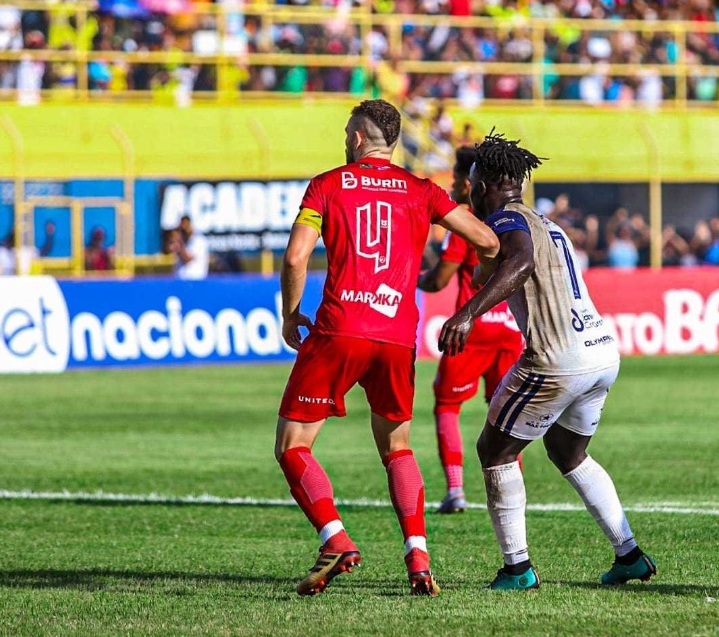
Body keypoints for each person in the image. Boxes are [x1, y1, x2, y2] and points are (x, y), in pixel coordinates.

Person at [274, 100, 499, 597]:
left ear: (357, 138)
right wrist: (480, 287)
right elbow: (486, 239)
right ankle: (418, 558)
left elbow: (295, 258)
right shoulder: (423, 190)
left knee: (293, 446)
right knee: (397, 446)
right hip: (398, 336)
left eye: (345, 133)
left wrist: (291, 314)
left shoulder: (328, 184)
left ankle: (335, 538)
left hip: (339, 328)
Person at [438, 130, 656, 591]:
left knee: (493, 450)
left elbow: (519, 262)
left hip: (557, 359)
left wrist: (467, 313)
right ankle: (629, 554)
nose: (471, 190)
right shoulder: (546, 222)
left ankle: (517, 569)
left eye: (475, 183)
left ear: (489, 185)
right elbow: (502, 264)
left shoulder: (507, 222)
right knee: (568, 451)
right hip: (600, 352)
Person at [418, 146, 524, 515]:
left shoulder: (463, 221)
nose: (448, 186)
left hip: (473, 330)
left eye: (453, 179)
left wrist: (412, 278)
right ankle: (515, 493)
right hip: (511, 329)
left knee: (447, 405)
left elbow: (439, 280)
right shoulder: (515, 218)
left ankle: (455, 490)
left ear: (469, 184)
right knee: (506, 413)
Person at [170, 215, 209, 280]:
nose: (183, 229)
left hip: (195, 280)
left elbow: (188, 258)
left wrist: (179, 245)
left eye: (185, 226)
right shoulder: (183, 240)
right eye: (181, 227)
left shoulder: (199, 240)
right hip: (181, 280)